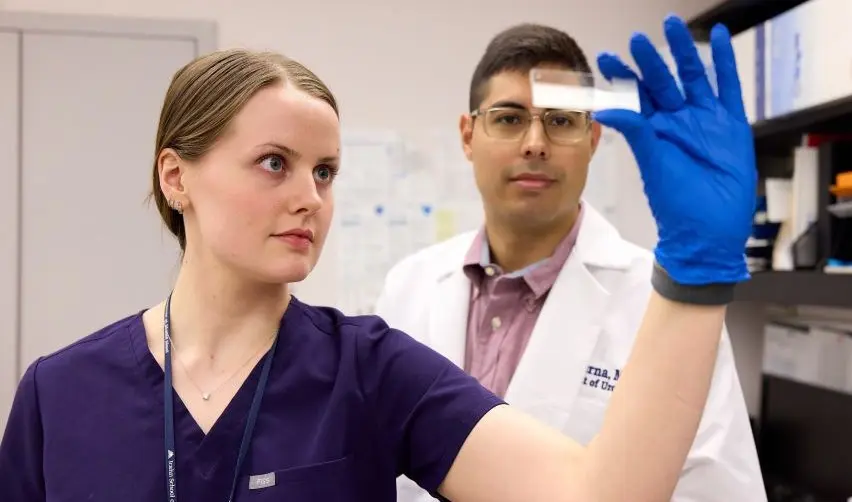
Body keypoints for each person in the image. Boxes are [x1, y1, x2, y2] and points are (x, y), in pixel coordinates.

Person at [0, 14, 758, 502]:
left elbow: (598, 496)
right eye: (275, 162)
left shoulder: (371, 369)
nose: (310, 197)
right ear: (177, 177)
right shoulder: (57, 394)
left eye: (324, 172)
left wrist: (695, 274)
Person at [376, 21, 766, 502]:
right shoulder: (407, 286)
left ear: (594, 139)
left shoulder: (665, 300)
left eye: (561, 120)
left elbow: (722, 491)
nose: (535, 142)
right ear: (468, 134)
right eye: (509, 117)